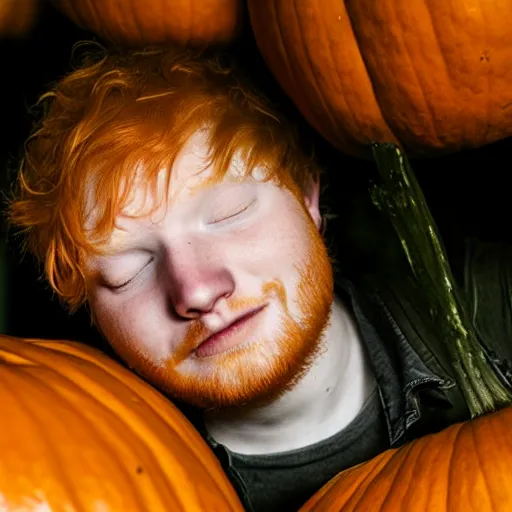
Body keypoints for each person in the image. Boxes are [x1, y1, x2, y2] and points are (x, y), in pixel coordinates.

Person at [9, 46, 512, 512]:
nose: (198, 291)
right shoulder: (130, 493)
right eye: (127, 272)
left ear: (307, 197)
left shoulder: (495, 307)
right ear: (91, 316)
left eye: (231, 213)